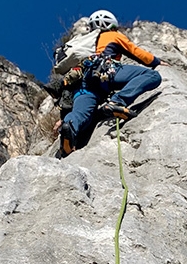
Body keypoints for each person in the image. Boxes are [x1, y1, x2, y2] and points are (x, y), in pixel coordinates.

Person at [59, 10, 163, 157]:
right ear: (111, 24)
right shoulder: (112, 35)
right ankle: (117, 102)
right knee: (152, 76)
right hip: (106, 72)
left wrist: (63, 118)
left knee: (80, 114)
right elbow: (137, 53)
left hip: (82, 83)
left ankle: (69, 127)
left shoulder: (85, 43)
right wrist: (157, 61)